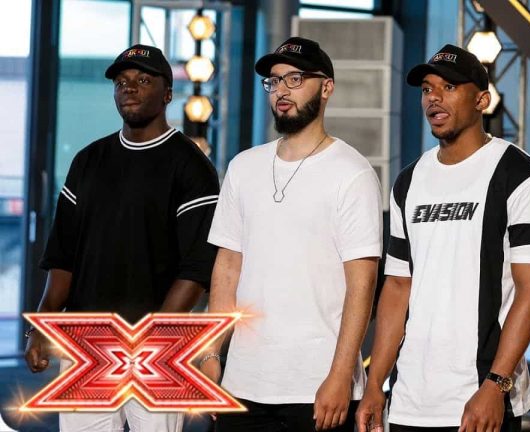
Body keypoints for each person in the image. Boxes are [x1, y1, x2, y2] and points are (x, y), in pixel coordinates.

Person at [356, 44, 530, 432]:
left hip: (481, 400)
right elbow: (397, 287)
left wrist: (496, 385)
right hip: (409, 402)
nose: (433, 97)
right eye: (427, 89)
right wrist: (375, 384)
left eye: (448, 87)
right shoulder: (408, 181)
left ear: (482, 100)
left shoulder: (522, 176)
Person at [25, 44, 220, 432]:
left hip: (157, 351)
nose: (129, 87)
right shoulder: (88, 160)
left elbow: (197, 267)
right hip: (86, 345)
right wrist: (41, 326)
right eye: (121, 81)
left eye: (143, 80)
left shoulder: (191, 166)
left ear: (168, 94)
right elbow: (62, 255)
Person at [201, 37, 382, 432]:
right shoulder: (243, 167)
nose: (281, 90)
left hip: (318, 387)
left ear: (326, 87)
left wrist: (340, 376)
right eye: (274, 81)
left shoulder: (352, 173)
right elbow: (227, 267)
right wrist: (211, 353)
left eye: (295, 79)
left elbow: (362, 284)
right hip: (243, 383)